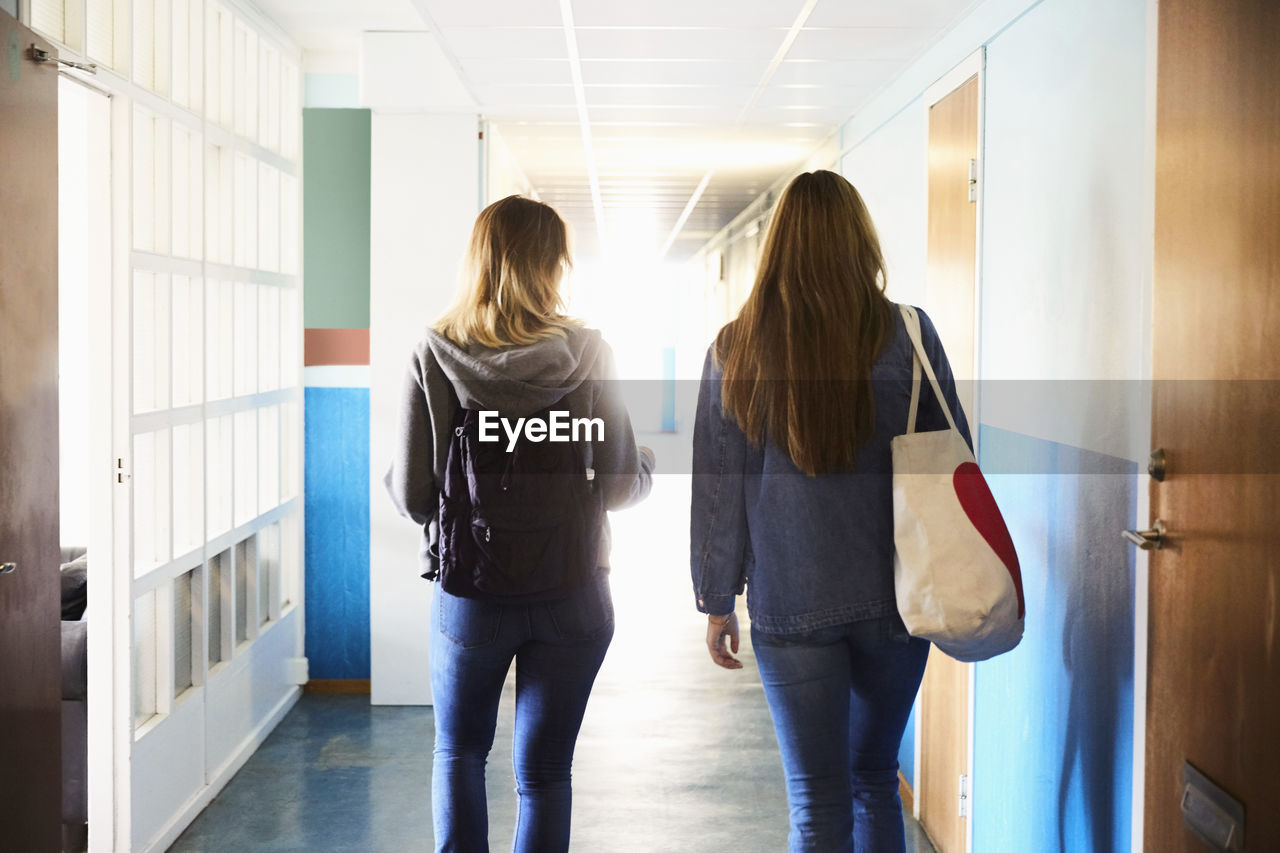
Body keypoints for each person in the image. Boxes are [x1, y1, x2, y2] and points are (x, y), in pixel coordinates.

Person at [690, 170, 971, 853]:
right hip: (897, 599)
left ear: (777, 246)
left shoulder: (736, 348)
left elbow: (719, 489)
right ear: (859, 239)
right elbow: (955, 454)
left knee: (817, 802)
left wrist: (717, 597)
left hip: (791, 603)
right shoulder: (910, 332)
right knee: (874, 776)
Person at [386, 195, 654, 853]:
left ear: (478, 260)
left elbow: (418, 496)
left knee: (460, 752)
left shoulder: (435, 350)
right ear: (552, 266)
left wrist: (403, 476)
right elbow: (619, 484)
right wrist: (644, 463)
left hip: (472, 595)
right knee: (543, 773)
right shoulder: (590, 352)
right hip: (573, 592)